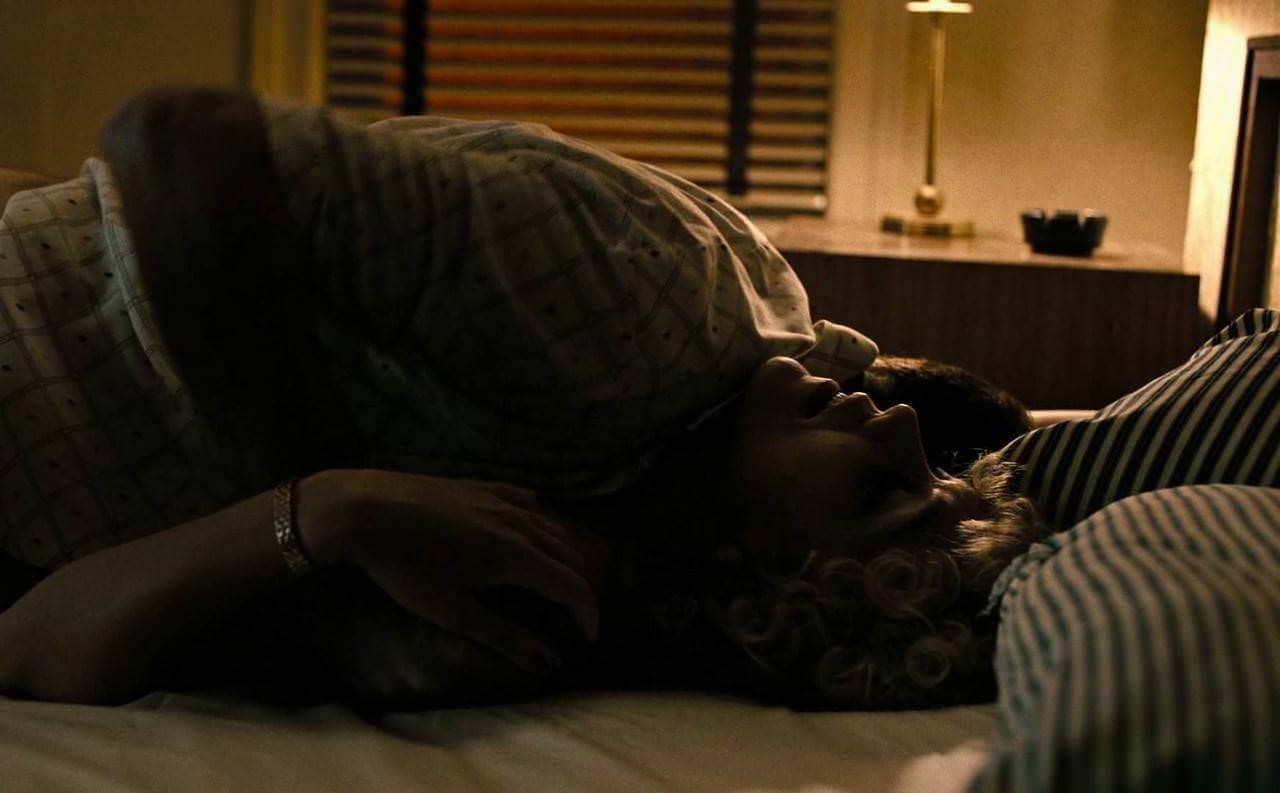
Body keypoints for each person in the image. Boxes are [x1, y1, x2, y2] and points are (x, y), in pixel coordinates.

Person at [0, 88, 1034, 708]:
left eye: (880, 491)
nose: (899, 423)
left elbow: (28, 644)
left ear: (757, 577)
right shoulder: (650, 305)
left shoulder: (533, 597)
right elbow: (174, 140)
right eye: (929, 460)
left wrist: (322, 518)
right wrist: (330, 484)